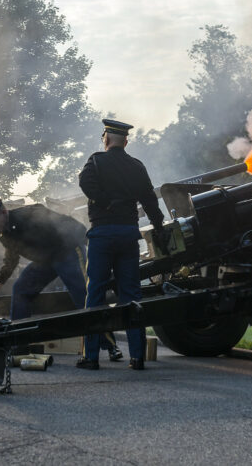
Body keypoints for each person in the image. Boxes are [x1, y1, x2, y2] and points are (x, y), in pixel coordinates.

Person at [0, 191, 122, 360]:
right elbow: (11, 259)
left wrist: (90, 246)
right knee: (20, 290)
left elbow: (67, 224)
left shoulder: (31, 214)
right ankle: (18, 343)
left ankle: (110, 346)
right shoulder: (4, 234)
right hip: (45, 261)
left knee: (86, 297)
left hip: (67, 252)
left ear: (3, 212)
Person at [76, 118, 166, 370]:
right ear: (125, 140)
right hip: (128, 234)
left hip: (102, 234)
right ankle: (137, 357)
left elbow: (85, 183)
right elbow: (150, 199)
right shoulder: (136, 166)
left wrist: (104, 202)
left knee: (95, 294)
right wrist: (158, 226)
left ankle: (90, 357)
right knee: (131, 295)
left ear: (106, 137)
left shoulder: (95, 160)